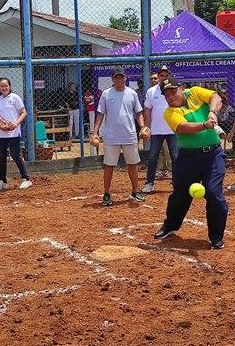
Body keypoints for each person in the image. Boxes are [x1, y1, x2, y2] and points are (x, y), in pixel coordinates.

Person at [153, 77, 227, 249]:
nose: (170, 96)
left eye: (173, 91)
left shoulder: (194, 92)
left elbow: (216, 98)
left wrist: (212, 113)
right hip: (188, 158)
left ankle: (216, 236)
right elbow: (183, 127)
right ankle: (170, 225)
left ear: (181, 88)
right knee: (180, 194)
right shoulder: (169, 112)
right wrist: (205, 124)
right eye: (166, 94)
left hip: (213, 155)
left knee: (214, 194)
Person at [91, 67, 147, 206]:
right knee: (109, 165)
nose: (119, 79)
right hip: (111, 136)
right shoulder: (106, 94)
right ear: (112, 79)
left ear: (125, 78)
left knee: (132, 164)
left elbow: (138, 113)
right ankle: (106, 193)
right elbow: (100, 114)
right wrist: (95, 132)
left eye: (121, 77)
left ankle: (135, 191)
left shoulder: (132, 93)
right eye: (116, 77)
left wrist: (143, 127)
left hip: (129, 134)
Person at [142, 65, 179, 194]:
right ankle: (149, 183)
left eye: (166, 75)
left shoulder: (174, 90)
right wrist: (146, 127)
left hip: (172, 129)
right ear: (158, 77)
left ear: (169, 76)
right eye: (161, 75)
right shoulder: (152, 91)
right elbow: (147, 109)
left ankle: (177, 183)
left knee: (175, 156)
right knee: (153, 157)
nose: (164, 78)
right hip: (156, 130)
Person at [0, 78, 33, 191]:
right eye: (2, 86)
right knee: (1, 157)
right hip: (1, 134)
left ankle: (26, 179)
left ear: (9, 86)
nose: (4, 88)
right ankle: (3, 181)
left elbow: (24, 112)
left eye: (6, 86)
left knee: (15, 155)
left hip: (14, 133)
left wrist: (15, 123)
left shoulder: (15, 97)